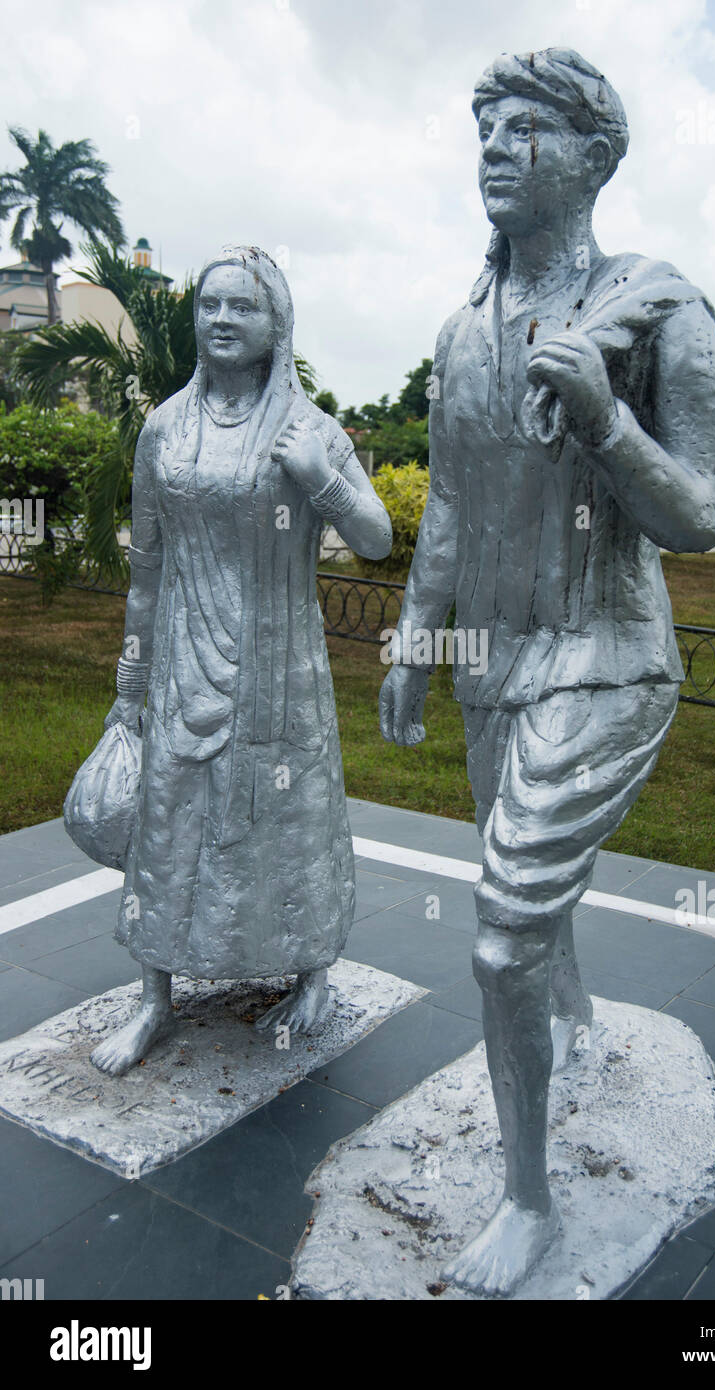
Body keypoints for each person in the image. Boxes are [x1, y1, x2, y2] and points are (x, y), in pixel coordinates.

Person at [379, 49, 715, 1296]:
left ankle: (526, 1205)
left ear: (593, 156)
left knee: (503, 931)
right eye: (485, 127)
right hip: (495, 662)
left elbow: (698, 516)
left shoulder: (662, 313)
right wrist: (424, 642)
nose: (496, 148)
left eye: (528, 128)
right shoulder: (460, 332)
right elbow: (454, 514)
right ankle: (572, 1024)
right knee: (519, 896)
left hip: (609, 659)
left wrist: (606, 417)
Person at [91, 246, 391, 1077]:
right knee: (167, 821)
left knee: (288, 819)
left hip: (279, 666)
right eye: (210, 305)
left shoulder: (308, 428)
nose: (222, 320)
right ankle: (154, 995)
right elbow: (146, 563)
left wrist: (320, 479)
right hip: (183, 653)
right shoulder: (165, 426)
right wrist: (134, 673)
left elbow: (375, 539)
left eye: (242, 308)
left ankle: (312, 973)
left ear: (275, 325)